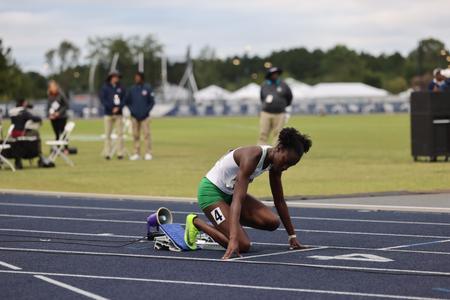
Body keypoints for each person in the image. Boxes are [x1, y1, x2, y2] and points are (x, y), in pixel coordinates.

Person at [184, 127, 312, 259]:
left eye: (290, 166)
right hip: (211, 193)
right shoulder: (252, 157)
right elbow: (238, 200)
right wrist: (233, 239)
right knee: (242, 245)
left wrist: (292, 237)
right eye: (285, 162)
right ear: (279, 148)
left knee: (272, 222)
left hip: (230, 194)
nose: (285, 167)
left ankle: (224, 223)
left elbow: (279, 201)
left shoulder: (275, 164)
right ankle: (195, 222)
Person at [8, 99, 53, 169]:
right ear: (23, 104)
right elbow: (34, 118)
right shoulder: (23, 112)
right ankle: (40, 155)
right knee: (36, 134)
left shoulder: (12, 112)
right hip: (21, 133)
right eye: (26, 103)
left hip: (12, 134)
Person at [258, 67, 293, 145]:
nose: (275, 75)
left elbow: (289, 96)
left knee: (278, 134)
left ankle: (276, 152)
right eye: (273, 74)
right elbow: (262, 98)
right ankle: (261, 151)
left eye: (277, 73)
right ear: (269, 75)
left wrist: (283, 105)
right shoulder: (264, 85)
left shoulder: (283, 84)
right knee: (263, 133)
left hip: (280, 113)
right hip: (266, 113)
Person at [125, 72, 155, 161]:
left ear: (142, 78)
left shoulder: (147, 88)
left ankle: (148, 153)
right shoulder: (132, 89)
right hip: (134, 117)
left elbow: (152, 102)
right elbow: (127, 102)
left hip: (145, 117)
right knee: (135, 135)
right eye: (135, 77)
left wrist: (146, 111)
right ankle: (136, 153)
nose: (136, 79)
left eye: (138, 77)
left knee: (146, 135)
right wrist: (132, 111)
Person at [100, 70, 126, 160]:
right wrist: (111, 108)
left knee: (120, 134)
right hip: (108, 113)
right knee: (108, 134)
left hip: (119, 114)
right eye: (115, 77)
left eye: (117, 77)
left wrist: (118, 107)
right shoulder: (105, 87)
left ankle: (120, 153)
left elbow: (124, 99)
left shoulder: (121, 87)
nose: (116, 78)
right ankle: (107, 153)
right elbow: (103, 100)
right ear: (111, 77)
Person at [47, 80, 69, 152]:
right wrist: (49, 114)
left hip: (61, 117)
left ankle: (66, 148)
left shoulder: (61, 94)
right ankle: (58, 148)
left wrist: (59, 113)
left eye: (53, 86)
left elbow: (66, 105)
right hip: (53, 118)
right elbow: (48, 107)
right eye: (51, 87)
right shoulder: (49, 95)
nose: (52, 88)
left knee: (63, 133)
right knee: (56, 134)